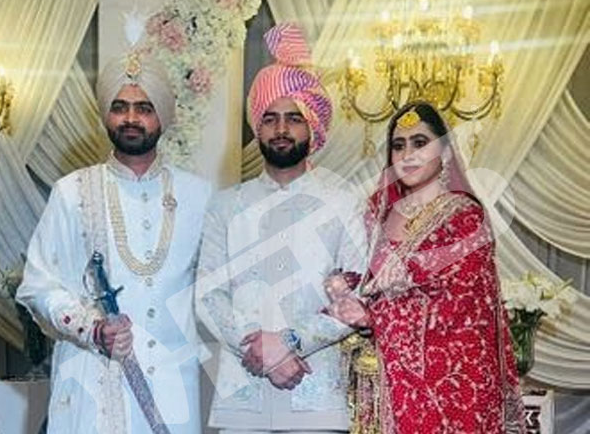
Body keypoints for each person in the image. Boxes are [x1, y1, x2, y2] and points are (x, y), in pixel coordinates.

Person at [16, 46, 211, 433]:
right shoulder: (71, 192)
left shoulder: (198, 195)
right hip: (92, 379)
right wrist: (91, 329)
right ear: (106, 114)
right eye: (120, 107)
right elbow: (37, 285)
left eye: (144, 108)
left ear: (162, 116)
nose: (131, 119)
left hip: (172, 388)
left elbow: (219, 288)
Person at [195, 23, 366, 433]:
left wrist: (289, 344)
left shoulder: (342, 201)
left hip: (317, 395)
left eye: (293, 118)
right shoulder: (226, 206)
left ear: (312, 126)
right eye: (269, 119)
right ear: (257, 128)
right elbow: (208, 294)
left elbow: (356, 296)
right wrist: (260, 349)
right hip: (243, 393)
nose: (281, 130)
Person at [325, 101, 525, 433]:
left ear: (445, 152)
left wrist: (372, 317)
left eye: (420, 143)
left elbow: (456, 307)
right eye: (398, 145)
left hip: (449, 389)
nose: (408, 155)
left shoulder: (465, 218)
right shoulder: (376, 214)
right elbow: (362, 278)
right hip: (379, 382)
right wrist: (341, 290)